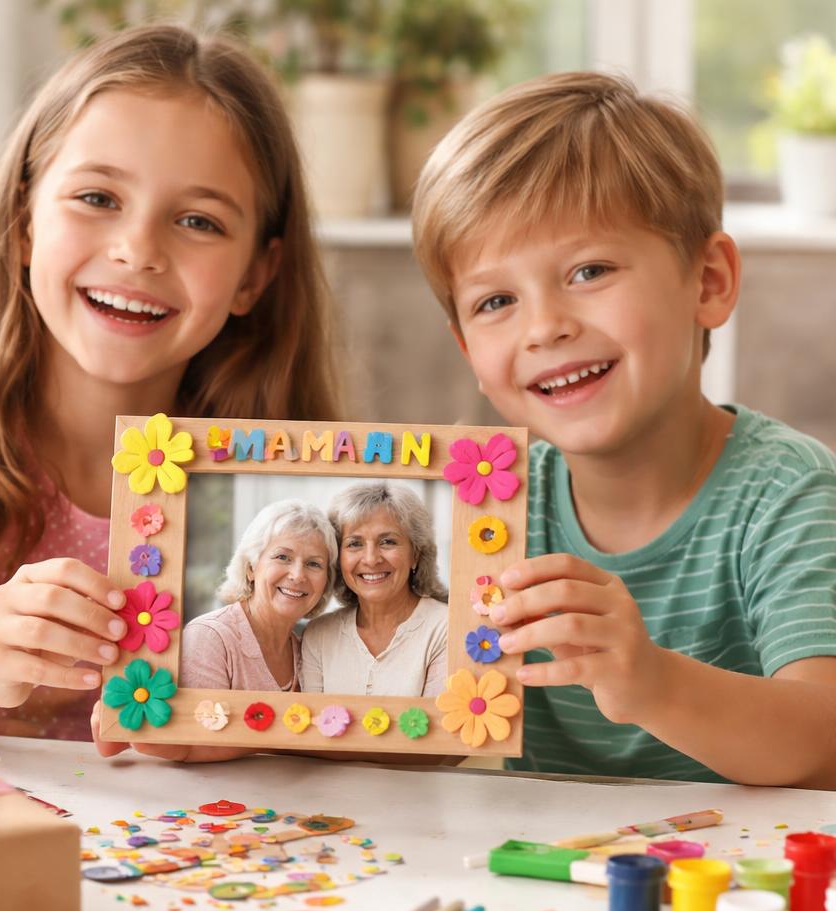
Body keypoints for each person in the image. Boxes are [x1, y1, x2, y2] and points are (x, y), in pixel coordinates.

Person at [0, 24, 340, 739]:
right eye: (97, 198)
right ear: (24, 221)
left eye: (197, 220)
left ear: (255, 274)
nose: (138, 251)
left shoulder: (284, 497)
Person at [411, 71, 836, 786]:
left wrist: (654, 684)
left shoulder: (788, 493)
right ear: (467, 351)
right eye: (496, 302)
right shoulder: (489, 510)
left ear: (709, 282)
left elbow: (825, 742)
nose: (545, 327)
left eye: (589, 271)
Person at [301, 482, 448, 698]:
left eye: (387, 542)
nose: (371, 559)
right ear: (338, 558)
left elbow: (437, 718)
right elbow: (309, 716)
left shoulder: (446, 627)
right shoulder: (319, 634)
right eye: (354, 544)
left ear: (415, 554)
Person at [180, 499, 335, 690]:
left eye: (313, 564)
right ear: (251, 567)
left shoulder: (310, 653)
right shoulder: (209, 638)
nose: (298, 575)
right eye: (282, 557)